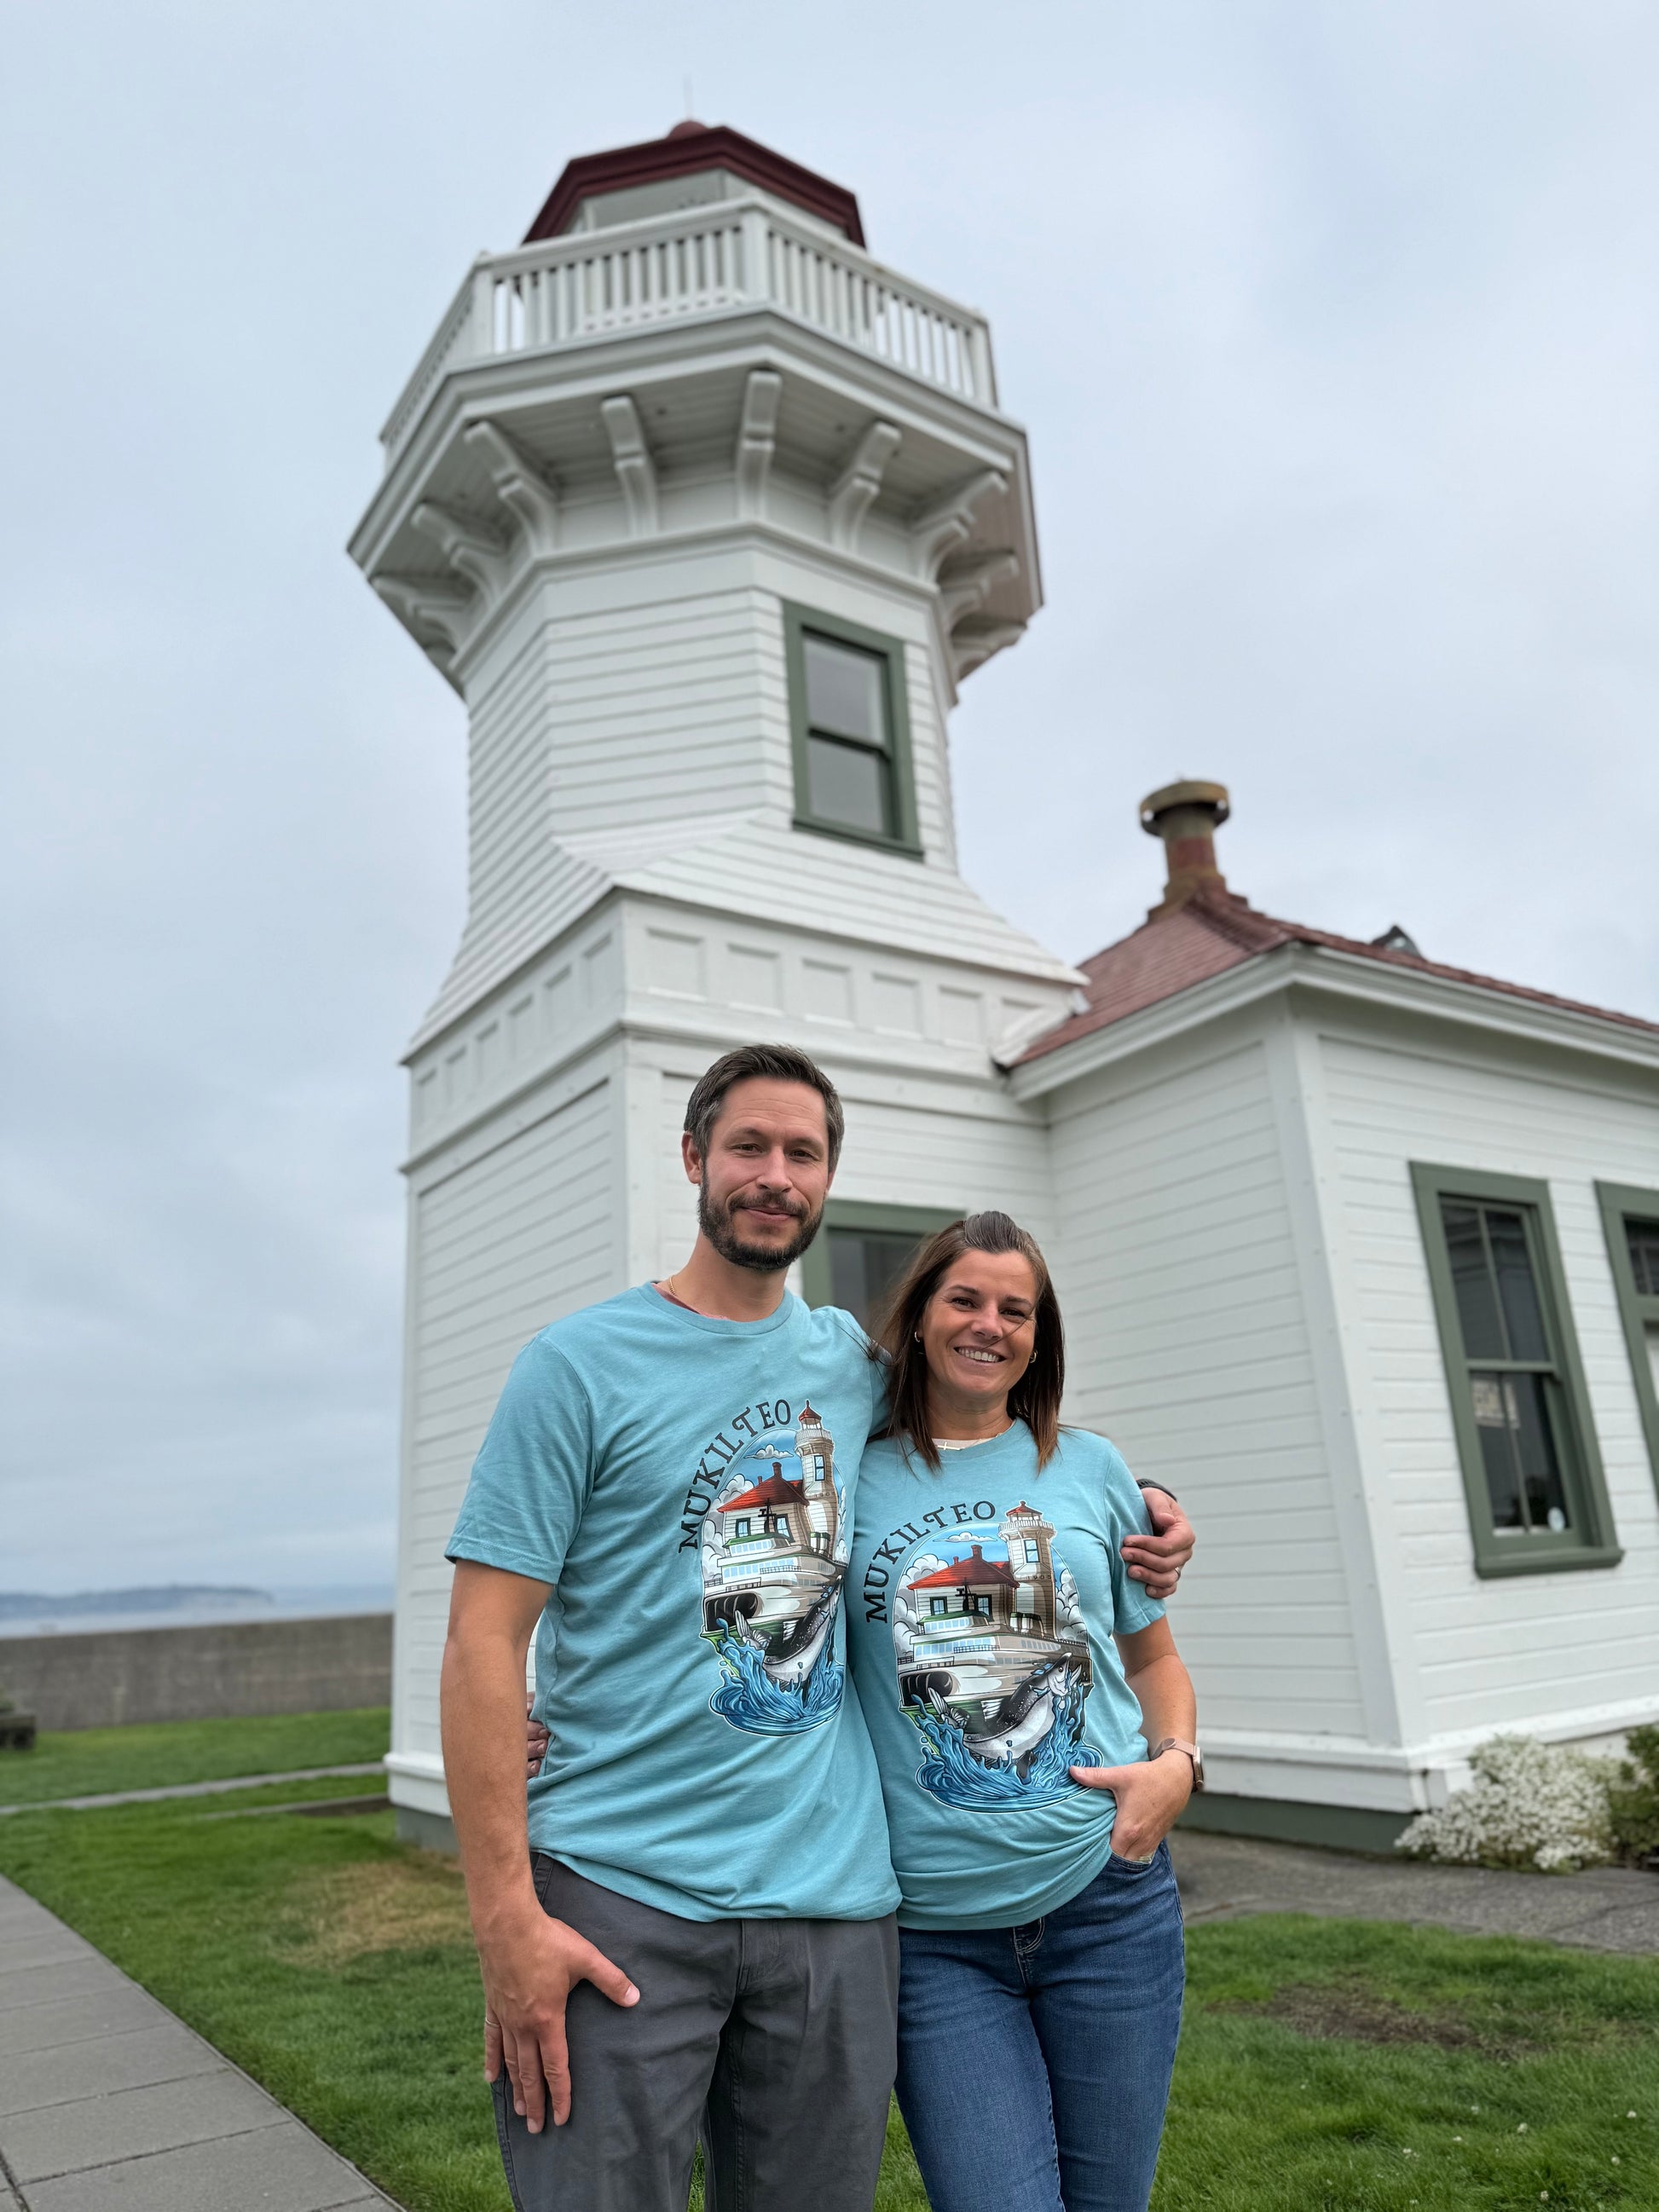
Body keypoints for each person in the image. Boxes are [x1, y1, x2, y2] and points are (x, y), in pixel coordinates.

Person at [443, 1043, 1196, 2212]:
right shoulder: (576, 1365)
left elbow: (985, 1431)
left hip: (834, 1902)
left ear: (826, 1179)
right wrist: (503, 1912)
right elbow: (482, 1639)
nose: (774, 1173)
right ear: (694, 1156)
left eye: (803, 1151)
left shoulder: (851, 1363)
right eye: (747, 1144)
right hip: (621, 1885)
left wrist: (1144, 1512)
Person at [847, 1210, 1196, 2212]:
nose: (987, 1324)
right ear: (917, 1314)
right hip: (931, 1938)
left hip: (1108, 1904)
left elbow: (1154, 1657)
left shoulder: (1091, 1469)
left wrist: (1173, 1763)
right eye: (964, 1298)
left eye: (1015, 1309)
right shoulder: (854, 1475)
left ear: (1037, 1337)